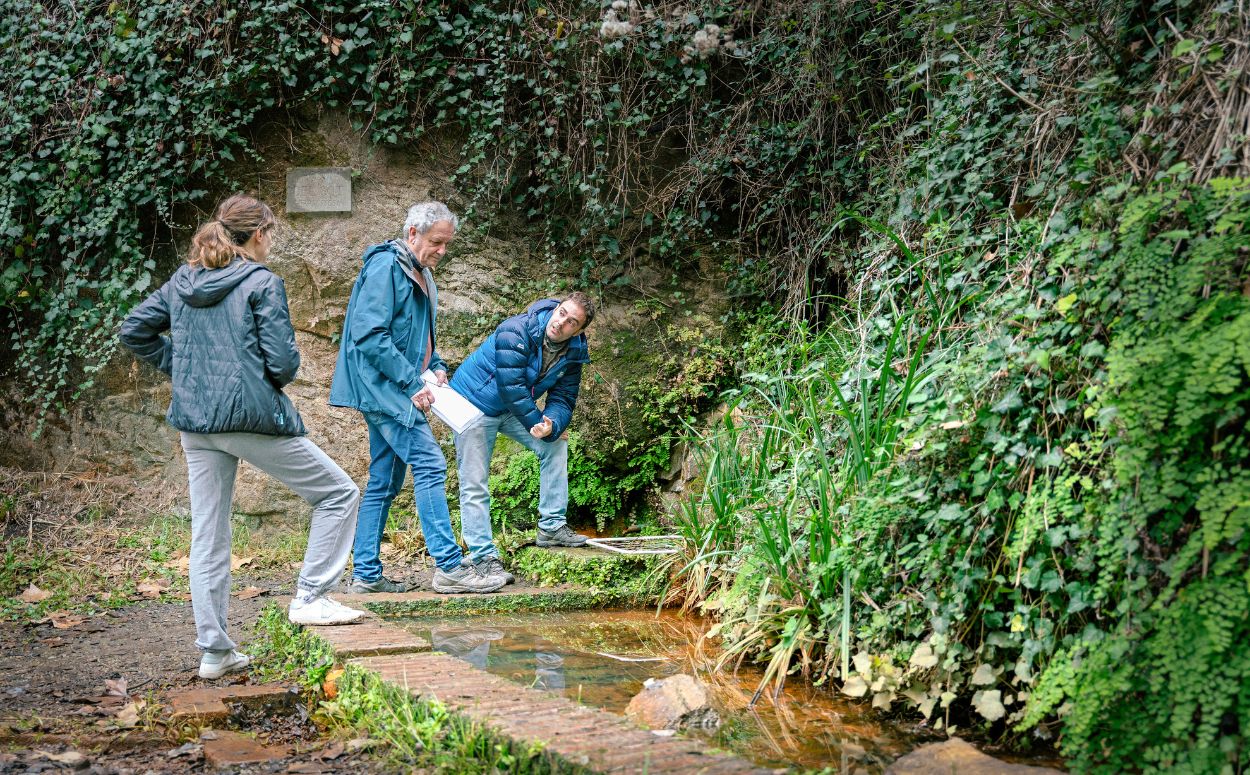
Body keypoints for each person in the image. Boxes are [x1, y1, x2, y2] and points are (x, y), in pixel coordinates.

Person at [119, 194, 365, 682]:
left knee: (208, 534)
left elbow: (134, 331)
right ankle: (311, 597)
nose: (271, 242)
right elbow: (284, 364)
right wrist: (213, 371)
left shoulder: (183, 281)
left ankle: (215, 652)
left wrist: (185, 371)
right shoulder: (262, 282)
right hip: (248, 419)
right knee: (338, 492)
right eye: (270, 233)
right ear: (258, 234)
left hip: (196, 424)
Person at [329, 202, 505, 595]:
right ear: (412, 233)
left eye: (447, 244)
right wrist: (412, 383)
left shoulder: (421, 273)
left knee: (382, 483)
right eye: (436, 242)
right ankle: (448, 566)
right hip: (384, 390)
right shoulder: (385, 268)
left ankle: (367, 576)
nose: (442, 250)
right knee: (430, 464)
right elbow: (370, 335)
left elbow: (418, 336)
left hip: (399, 386)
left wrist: (437, 364)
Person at [450, 294, 596, 582]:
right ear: (555, 308)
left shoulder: (574, 351)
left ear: (579, 331)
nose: (561, 323)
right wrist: (535, 422)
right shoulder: (516, 329)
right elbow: (511, 386)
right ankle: (482, 556)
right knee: (475, 481)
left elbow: (564, 397)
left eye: (571, 322)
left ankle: (551, 526)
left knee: (555, 444)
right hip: (472, 403)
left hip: (511, 408)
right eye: (561, 313)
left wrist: (551, 426)